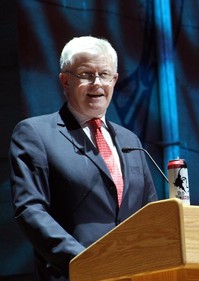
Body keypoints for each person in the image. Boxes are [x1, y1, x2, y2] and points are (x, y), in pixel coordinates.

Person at [9, 36, 158, 280]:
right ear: (65, 81)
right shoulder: (35, 134)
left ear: (115, 80)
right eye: (86, 74)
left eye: (104, 74)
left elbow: (151, 215)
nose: (97, 83)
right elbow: (30, 209)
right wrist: (84, 262)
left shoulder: (131, 141)